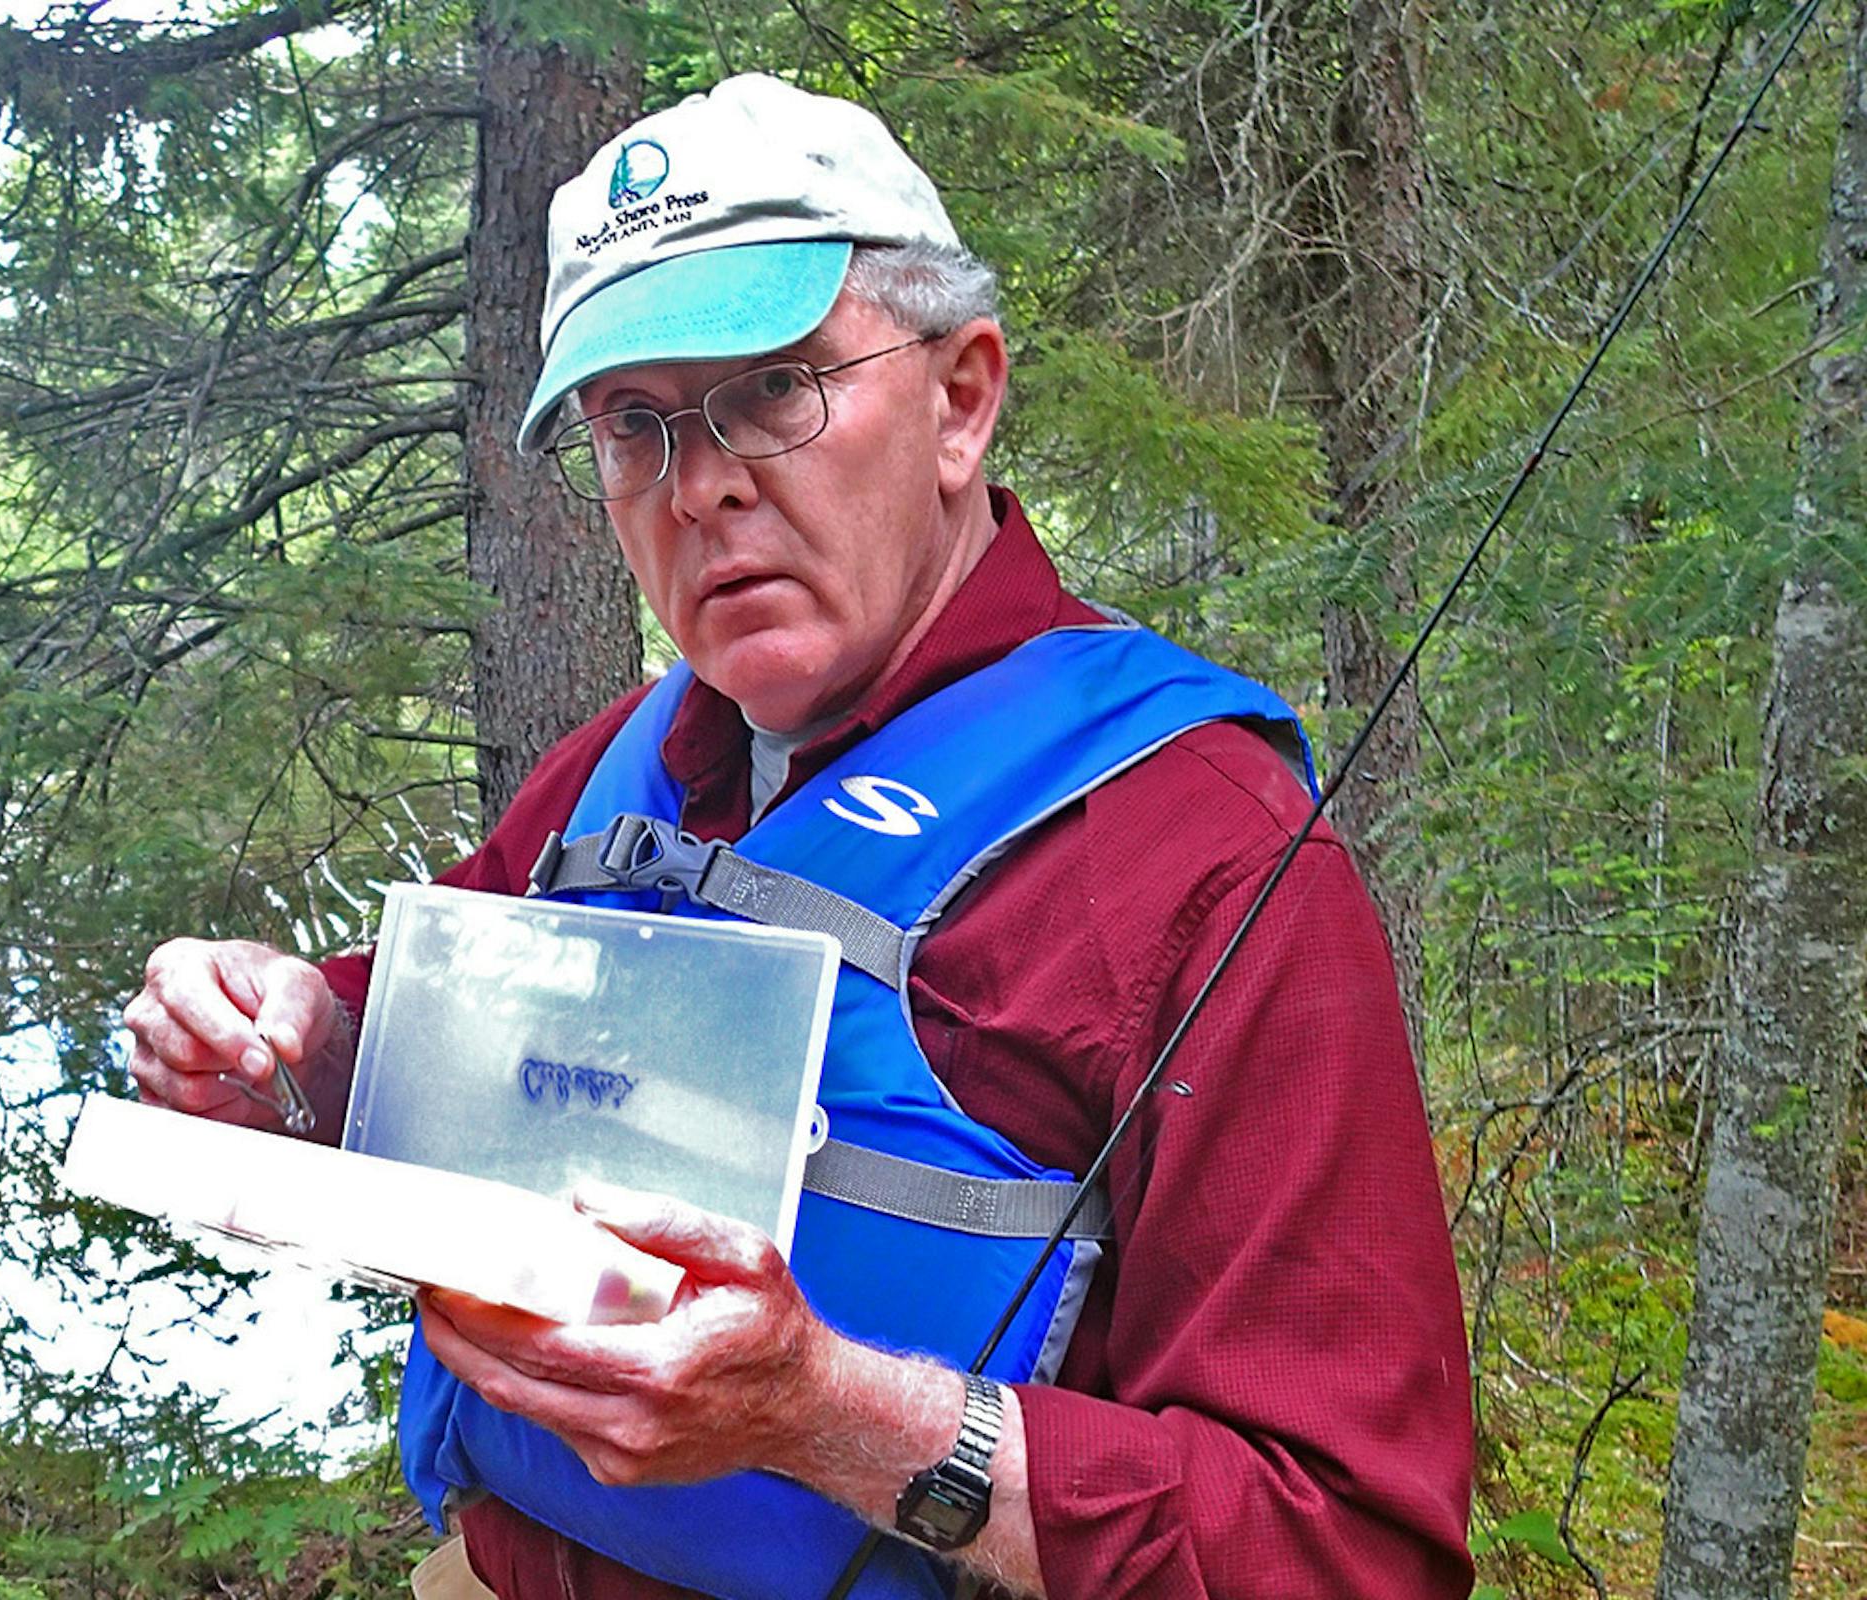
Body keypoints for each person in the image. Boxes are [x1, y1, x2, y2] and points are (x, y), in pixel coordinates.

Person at [127, 73, 1474, 1600]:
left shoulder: (1205, 860)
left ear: (961, 398)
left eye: (776, 386)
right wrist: (285, 1042)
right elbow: (422, 1052)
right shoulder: (611, 774)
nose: (701, 483)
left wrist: (831, 1417)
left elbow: (1348, 1548)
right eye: (634, 426)